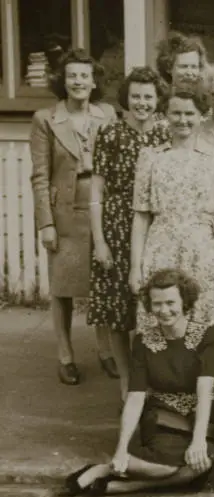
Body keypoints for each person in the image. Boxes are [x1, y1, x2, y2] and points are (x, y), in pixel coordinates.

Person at [61, 269, 214, 497]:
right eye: (157, 304)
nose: (164, 311)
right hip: (162, 417)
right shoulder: (143, 342)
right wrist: (121, 449)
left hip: (199, 415)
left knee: (203, 461)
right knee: (179, 466)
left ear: (185, 301)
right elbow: (135, 397)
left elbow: (205, 390)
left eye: (170, 302)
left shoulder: (208, 334)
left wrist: (198, 441)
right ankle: (115, 467)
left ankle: (117, 481)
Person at [29, 48, 117, 385]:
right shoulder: (45, 119)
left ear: (93, 81)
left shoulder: (106, 114)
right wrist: (46, 223)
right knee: (64, 288)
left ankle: (106, 350)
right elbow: (39, 176)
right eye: (72, 76)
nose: (78, 82)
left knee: (103, 282)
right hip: (64, 212)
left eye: (84, 75)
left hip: (101, 209)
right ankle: (65, 355)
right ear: (62, 82)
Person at [87, 67, 171, 399]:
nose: (142, 103)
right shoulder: (110, 134)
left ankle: (155, 383)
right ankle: (126, 384)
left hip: (156, 225)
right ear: (126, 98)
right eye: (136, 96)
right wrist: (100, 242)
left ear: (158, 99)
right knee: (120, 313)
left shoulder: (166, 133)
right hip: (117, 226)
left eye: (148, 97)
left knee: (157, 307)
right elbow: (96, 193)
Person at [130, 85, 214, 353]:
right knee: (162, 315)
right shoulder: (150, 156)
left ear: (201, 115)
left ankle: (204, 387)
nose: (183, 120)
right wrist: (135, 266)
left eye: (190, 113)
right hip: (161, 247)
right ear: (165, 115)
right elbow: (141, 215)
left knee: (204, 316)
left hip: (203, 249)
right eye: (176, 113)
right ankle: (163, 388)